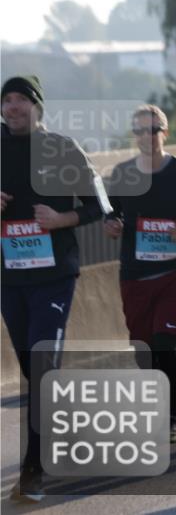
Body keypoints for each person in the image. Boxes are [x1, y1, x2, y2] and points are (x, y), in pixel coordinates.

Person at [1, 76, 105, 502]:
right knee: (33, 366)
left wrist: (62, 220)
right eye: (6, 100)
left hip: (54, 275)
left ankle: (34, 471)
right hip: (10, 277)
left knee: (42, 364)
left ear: (37, 106)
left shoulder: (62, 149)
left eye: (22, 100)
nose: (13, 107)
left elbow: (100, 205)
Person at [104, 105, 176, 444]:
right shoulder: (124, 173)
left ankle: (171, 419)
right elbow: (113, 216)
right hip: (135, 275)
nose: (147, 136)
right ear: (134, 135)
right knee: (143, 349)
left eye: (154, 129)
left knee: (164, 344)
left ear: (165, 133)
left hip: (175, 272)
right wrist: (112, 226)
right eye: (140, 130)